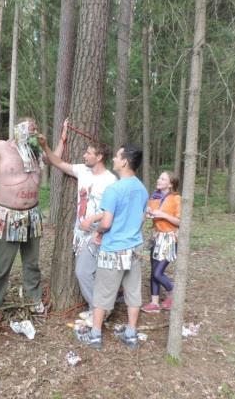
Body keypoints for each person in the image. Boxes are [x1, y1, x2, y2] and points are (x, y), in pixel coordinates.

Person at [0, 117, 50, 322]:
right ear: (18, 128)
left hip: (32, 215)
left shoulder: (35, 151)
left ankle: (34, 301)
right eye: (30, 128)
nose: (33, 132)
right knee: (1, 266)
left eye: (35, 128)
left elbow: (55, 159)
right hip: (9, 216)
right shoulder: (2, 147)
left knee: (32, 264)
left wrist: (54, 141)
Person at [37, 120, 116, 321]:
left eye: (88, 153)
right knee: (90, 273)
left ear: (99, 157)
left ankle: (100, 311)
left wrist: (95, 224)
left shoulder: (110, 181)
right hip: (80, 233)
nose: (84, 155)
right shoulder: (82, 170)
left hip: (99, 233)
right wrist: (46, 145)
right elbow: (57, 162)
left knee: (84, 272)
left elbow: (114, 211)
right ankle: (99, 308)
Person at [75, 144, 148, 350]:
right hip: (134, 248)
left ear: (124, 161)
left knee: (102, 293)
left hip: (113, 248)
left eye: (117, 157)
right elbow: (142, 218)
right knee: (133, 293)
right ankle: (131, 334)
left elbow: (106, 223)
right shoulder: (141, 188)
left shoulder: (114, 189)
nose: (114, 159)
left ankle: (95, 336)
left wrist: (98, 232)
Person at [141, 171, 181, 313]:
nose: (158, 179)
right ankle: (154, 303)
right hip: (156, 237)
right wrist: (148, 214)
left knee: (158, 272)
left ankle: (173, 292)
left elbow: (180, 221)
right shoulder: (154, 197)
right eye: (159, 177)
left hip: (170, 238)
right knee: (153, 271)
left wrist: (163, 214)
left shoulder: (176, 199)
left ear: (170, 184)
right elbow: (150, 215)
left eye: (163, 178)